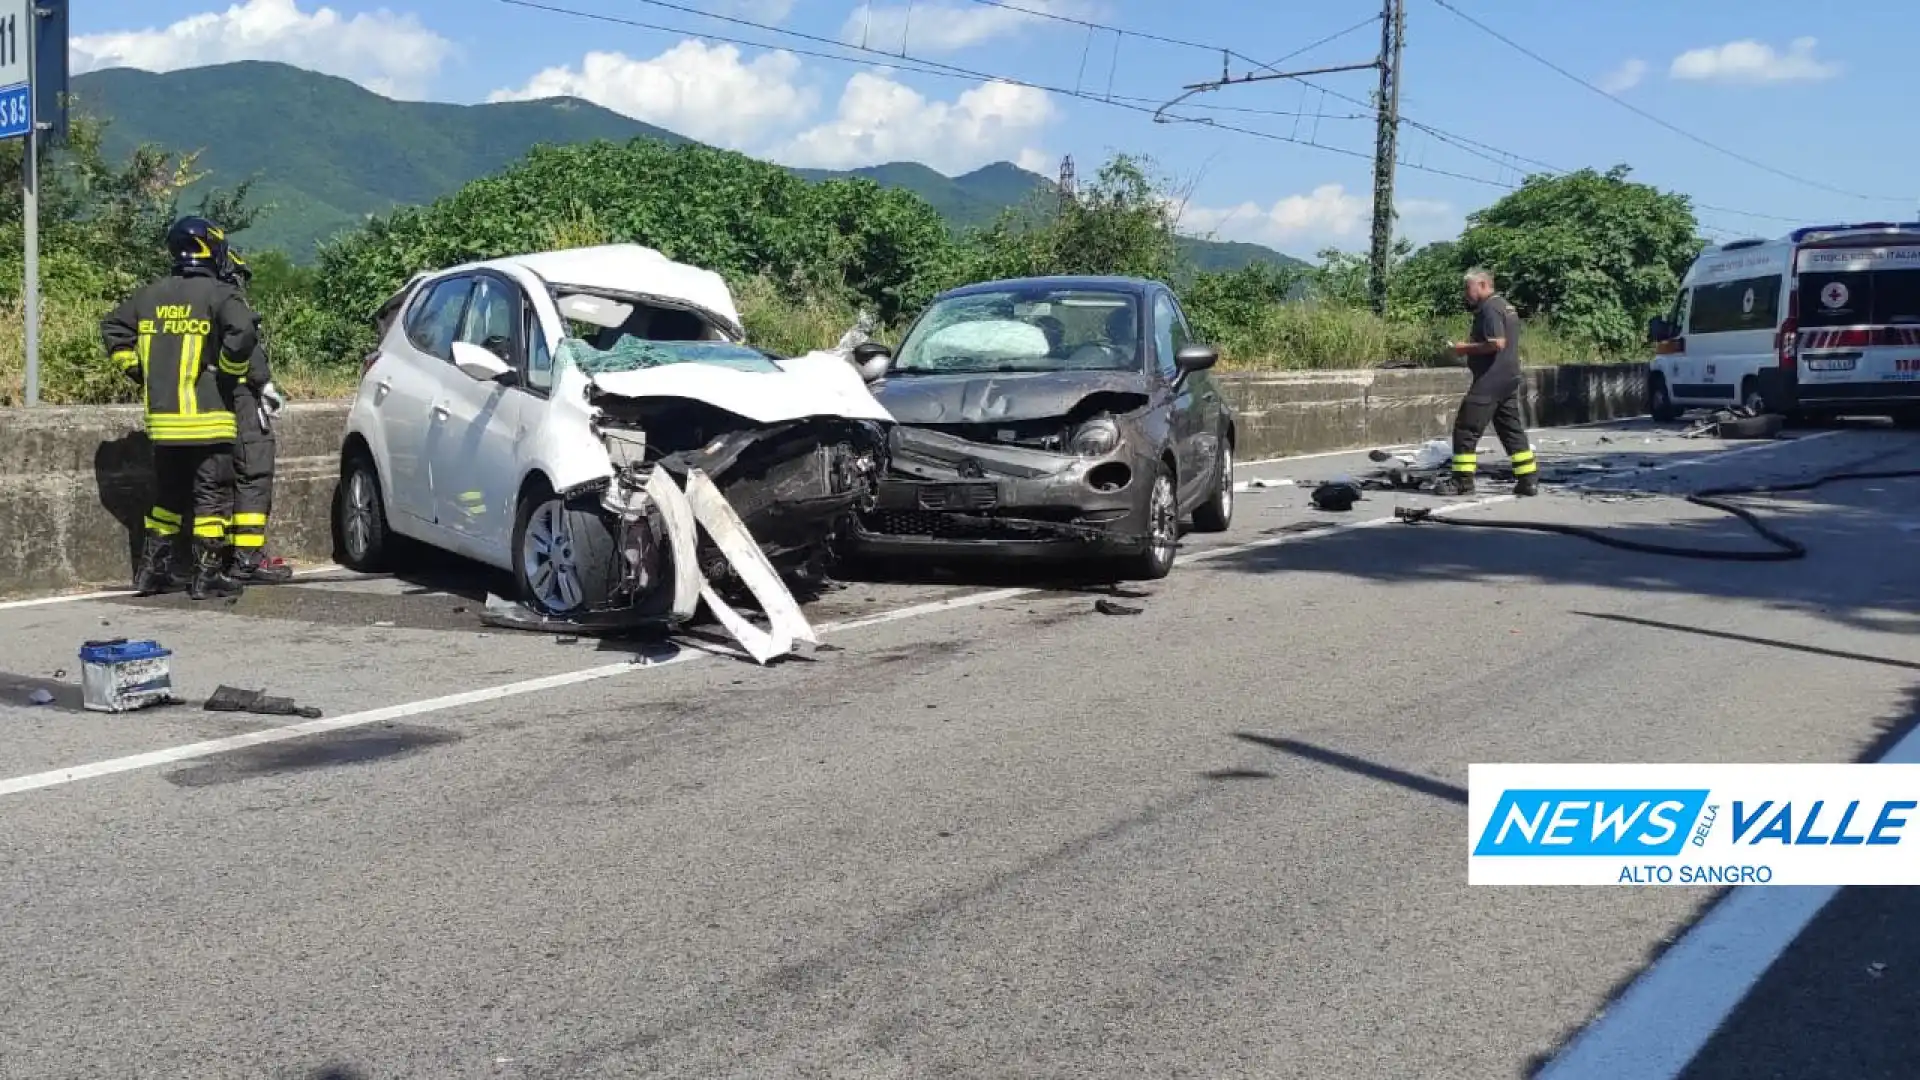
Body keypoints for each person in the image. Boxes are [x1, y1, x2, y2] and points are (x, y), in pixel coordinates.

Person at [101, 216, 260, 600]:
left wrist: (140, 371)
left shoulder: (147, 296)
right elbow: (243, 334)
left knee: (167, 497)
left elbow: (113, 330)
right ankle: (207, 575)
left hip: (165, 423)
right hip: (208, 418)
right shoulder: (220, 294)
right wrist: (229, 371)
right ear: (210, 250)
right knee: (212, 497)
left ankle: (151, 571)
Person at [217, 249, 292, 583]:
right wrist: (263, 384)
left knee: (211, 482)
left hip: (197, 404)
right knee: (253, 472)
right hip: (239, 401)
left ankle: (210, 558)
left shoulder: (189, 303)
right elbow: (248, 352)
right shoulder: (230, 305)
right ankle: (247, 558)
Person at [1432, 268, 1538, 497]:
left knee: (1466, 429)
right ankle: (1528, 480)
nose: (1465, 294)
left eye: (1467, 288)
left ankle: (1462, 481)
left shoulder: (1490, 307)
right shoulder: (1505, 306)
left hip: (1490, 380)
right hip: (1508, 379)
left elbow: (1497, 343)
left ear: (1482, 285)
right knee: (1511, 429)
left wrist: (1463, 348)